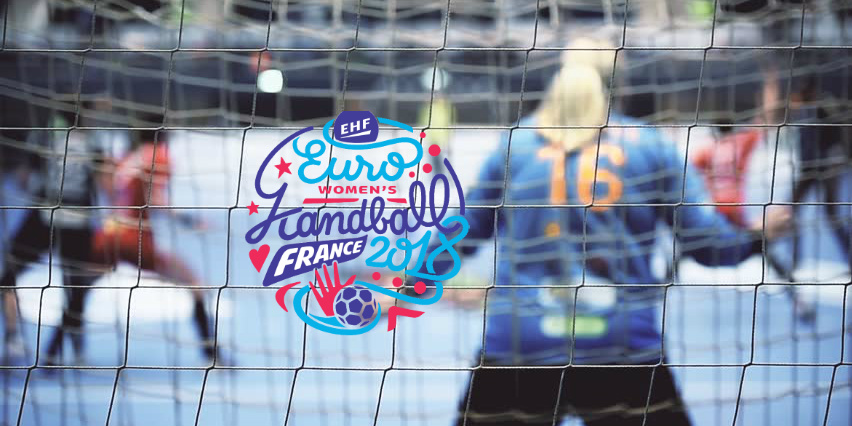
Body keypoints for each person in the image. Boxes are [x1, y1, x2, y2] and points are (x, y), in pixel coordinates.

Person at [411, 60, 791, 425]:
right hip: (621, 347)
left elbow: (460, 232)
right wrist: (756, 236)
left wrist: (413, 283)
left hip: (522, 343)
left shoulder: (517, 145)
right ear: (614, 91)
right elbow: (707, 245)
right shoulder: (650, 146)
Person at [86, 122, 221, 362]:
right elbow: (153, 199)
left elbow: (107, 188)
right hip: (135, 239)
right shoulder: (157, 156)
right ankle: (212, 355)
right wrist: (188, 219)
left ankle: (51, 355)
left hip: (108, 234)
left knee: (81, 287)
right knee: (195, 285)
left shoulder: (124, 158)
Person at [0, 109, 105, 362]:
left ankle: (13, 338)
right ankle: (66, 351)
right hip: (78, 220)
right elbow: (104, 185)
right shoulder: (93, 144)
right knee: (75, 285)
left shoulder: (45, 138)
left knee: (8, 276)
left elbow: (24, 179)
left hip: (45, 216)